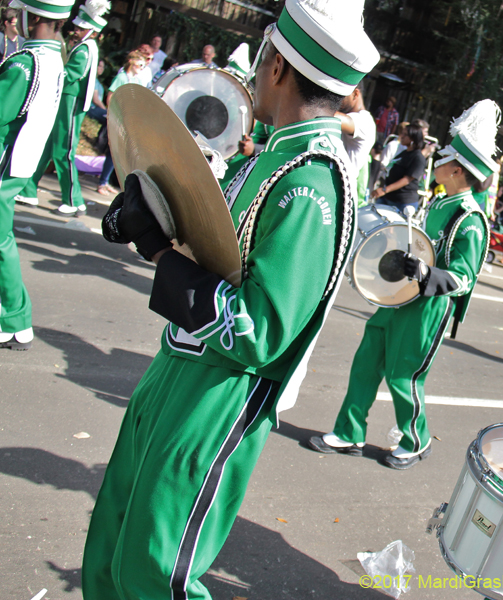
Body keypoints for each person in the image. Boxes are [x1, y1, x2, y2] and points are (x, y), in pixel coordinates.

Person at [80, 1, 379, 597]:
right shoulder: (274, 154)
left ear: (278, 70)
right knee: (112, 549)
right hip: (179, 365)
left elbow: (260, 330)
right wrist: (154, 218)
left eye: (264, 53)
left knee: (153, 572)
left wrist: (160, 256)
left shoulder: (312, 179)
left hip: (218, 395)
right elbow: (215, 249)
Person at [308, 100, 499, 469]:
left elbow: (462, 279)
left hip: (428, 307)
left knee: (403, 375)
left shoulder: (470, 219)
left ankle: (416, 440)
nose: (434, 163)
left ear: (458, 170)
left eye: (442, 159)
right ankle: (349, 432)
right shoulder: (439, 203)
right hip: (400, 296)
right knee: (367, 362)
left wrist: (424, 273)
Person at [0, 0, 74, 351]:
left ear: (34, 17)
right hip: (20, 162)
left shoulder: (25, 64)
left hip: (5, 161)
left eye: (19, 13)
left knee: (0, 244)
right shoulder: (53, 58)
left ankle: (13, 319)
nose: (14, 19)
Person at [18, 0, 110, 214]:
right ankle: (28, 190)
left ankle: (74, 200)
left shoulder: (85, 49)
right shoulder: (83, 46)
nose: (75, 31)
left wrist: (52, 75)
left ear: (93, 32)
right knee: (49, 147)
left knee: (63, 151)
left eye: (81, 28)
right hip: (65, 101)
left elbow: (71, 75)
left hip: (71, 103)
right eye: (77, 27)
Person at [96, 49, 147, 196]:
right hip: (118, 117)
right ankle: (102, 182)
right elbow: (111, 95)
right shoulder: (122, 77)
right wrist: (113, 114)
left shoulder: (136, 80)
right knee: (112, 151)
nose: (141, 69)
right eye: (139, 65)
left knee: (117, 153)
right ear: (131, 63)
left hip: (128, 119)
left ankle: (105, 182)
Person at [335, 80, 376, 203]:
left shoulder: (365, 121)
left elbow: (329, 116)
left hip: (341, 191)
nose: (337, 98)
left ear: (355, 94)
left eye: (342, 94)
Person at [371, 121, 426, 211]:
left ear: (413, 138)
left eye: (405, 134)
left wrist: (385, 190)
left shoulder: (418, 158)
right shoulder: (404, 153)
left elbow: (407, 180)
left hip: (402, 203)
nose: (401, 136)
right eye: (401, 133)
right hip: (388, 198)